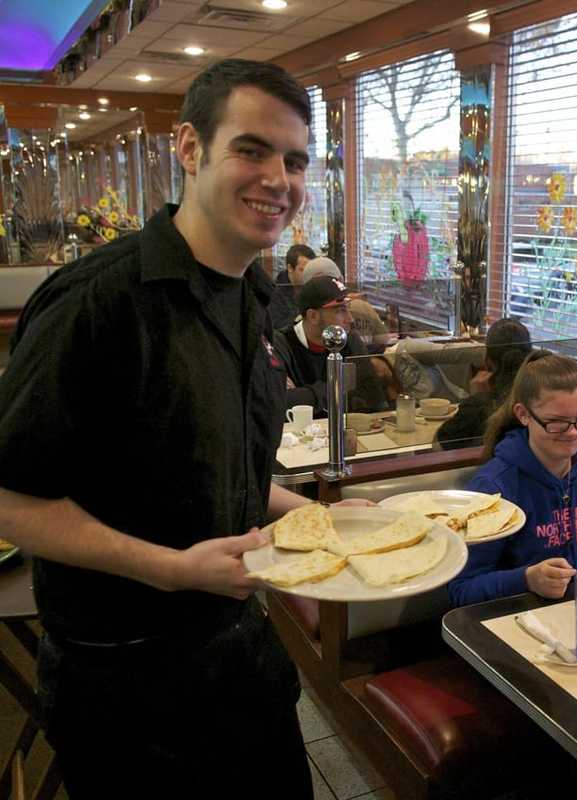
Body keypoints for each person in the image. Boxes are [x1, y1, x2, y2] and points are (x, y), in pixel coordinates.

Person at [0, 59, 370, 799]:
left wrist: (326, 519)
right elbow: (11, 498)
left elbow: (219, 464)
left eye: (295, 161)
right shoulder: (97, 303)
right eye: (252, 149)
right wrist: (171, 569)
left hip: (240, 666)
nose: (279, 179)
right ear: (191, 148)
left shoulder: (255, 297)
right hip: (123, 687)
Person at [449, 352, 577, 608]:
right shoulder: (494, 488)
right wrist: (526, 579)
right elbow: (461, 590)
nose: (573, 433)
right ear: (523, 414)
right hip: (518, 620)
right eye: (557, 422)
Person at [274, 275, 386, 416]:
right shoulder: (281, 344)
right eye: (340, 310)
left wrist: (307, 395)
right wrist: (342, 389)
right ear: (313, 316)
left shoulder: (349, 338)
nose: (350, 319)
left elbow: (372, 396)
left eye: (347, 308)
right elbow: (279, 402)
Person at [436, 318, 532, 449]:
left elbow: (439, 444)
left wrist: (477, 399)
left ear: (488, 361)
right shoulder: (540, 396)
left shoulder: (483, 404)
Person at [269, 243, 315, 328]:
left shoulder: (313, 288)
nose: (308, 275)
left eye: (311, 270)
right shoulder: (274, 292)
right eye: (303, 270)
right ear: (290, 268)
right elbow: (278, 325)